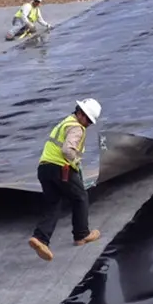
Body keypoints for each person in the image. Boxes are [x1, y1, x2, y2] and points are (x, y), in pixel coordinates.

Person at [28, 98, 102, 262]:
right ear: (80, 113)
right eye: (88, 120)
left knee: (53, 203)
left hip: (44, 168)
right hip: (61, 168)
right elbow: (67, 150)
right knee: (80, 197)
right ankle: (82, 235)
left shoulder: (65, 122)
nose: (88, 124)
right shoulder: (76, 127)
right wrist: (75, 161)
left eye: (91, 121)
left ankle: (40, 239)